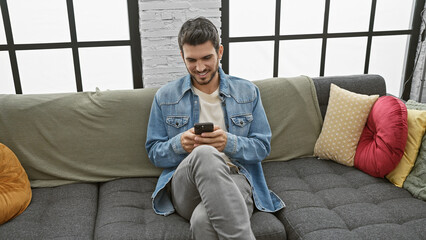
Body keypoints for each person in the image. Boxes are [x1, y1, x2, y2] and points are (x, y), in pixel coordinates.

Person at [145, 17, 284, 240]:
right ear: (182, 56)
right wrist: (179, 144)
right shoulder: (165, 97)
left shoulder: (248, 92)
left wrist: (228, 142)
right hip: (186, 184)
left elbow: (262, 148)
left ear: (220, 52)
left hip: (235, 178)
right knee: (204, 152)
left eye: (207, 58)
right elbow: (154, 153)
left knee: (203, 221)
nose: (199, 68)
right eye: (191, 60)